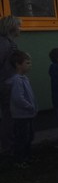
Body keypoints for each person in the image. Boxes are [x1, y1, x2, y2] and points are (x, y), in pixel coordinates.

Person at [6, 51, 36, 168]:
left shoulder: (24, 78)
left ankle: (27, 157)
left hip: (28, 114)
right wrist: (30, 106)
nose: (30, 65)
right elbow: (18, 98)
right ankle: (19, 159)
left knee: (29, 137)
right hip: (21, 115)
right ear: (18, 65)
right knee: (22, 138)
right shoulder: (17, 80)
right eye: (27, 63)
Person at [0, 15, 21, 154]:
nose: (20, 29)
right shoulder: (4, 44)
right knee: (9, 115)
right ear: (11, 27)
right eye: (18, 26)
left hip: (8, 82)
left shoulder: (8, 42)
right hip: (6, 84)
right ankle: (8, 147)